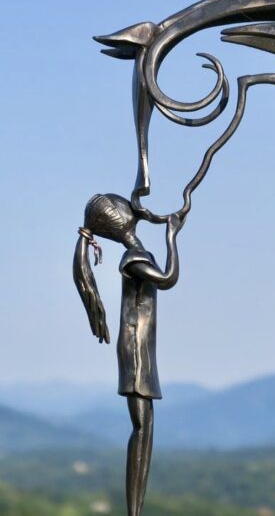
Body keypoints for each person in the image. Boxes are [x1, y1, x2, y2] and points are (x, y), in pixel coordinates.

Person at [72, 193, 183, 516]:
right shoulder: (132, 259)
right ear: (122, 220)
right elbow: (167, 279)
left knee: (145, 427)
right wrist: (172, 237)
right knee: (142, 427)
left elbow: (139, 198)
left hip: (140, 349)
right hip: (136, 352)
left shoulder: (137, 253)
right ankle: (134, 510)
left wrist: (161, 220)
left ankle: (135, 508)